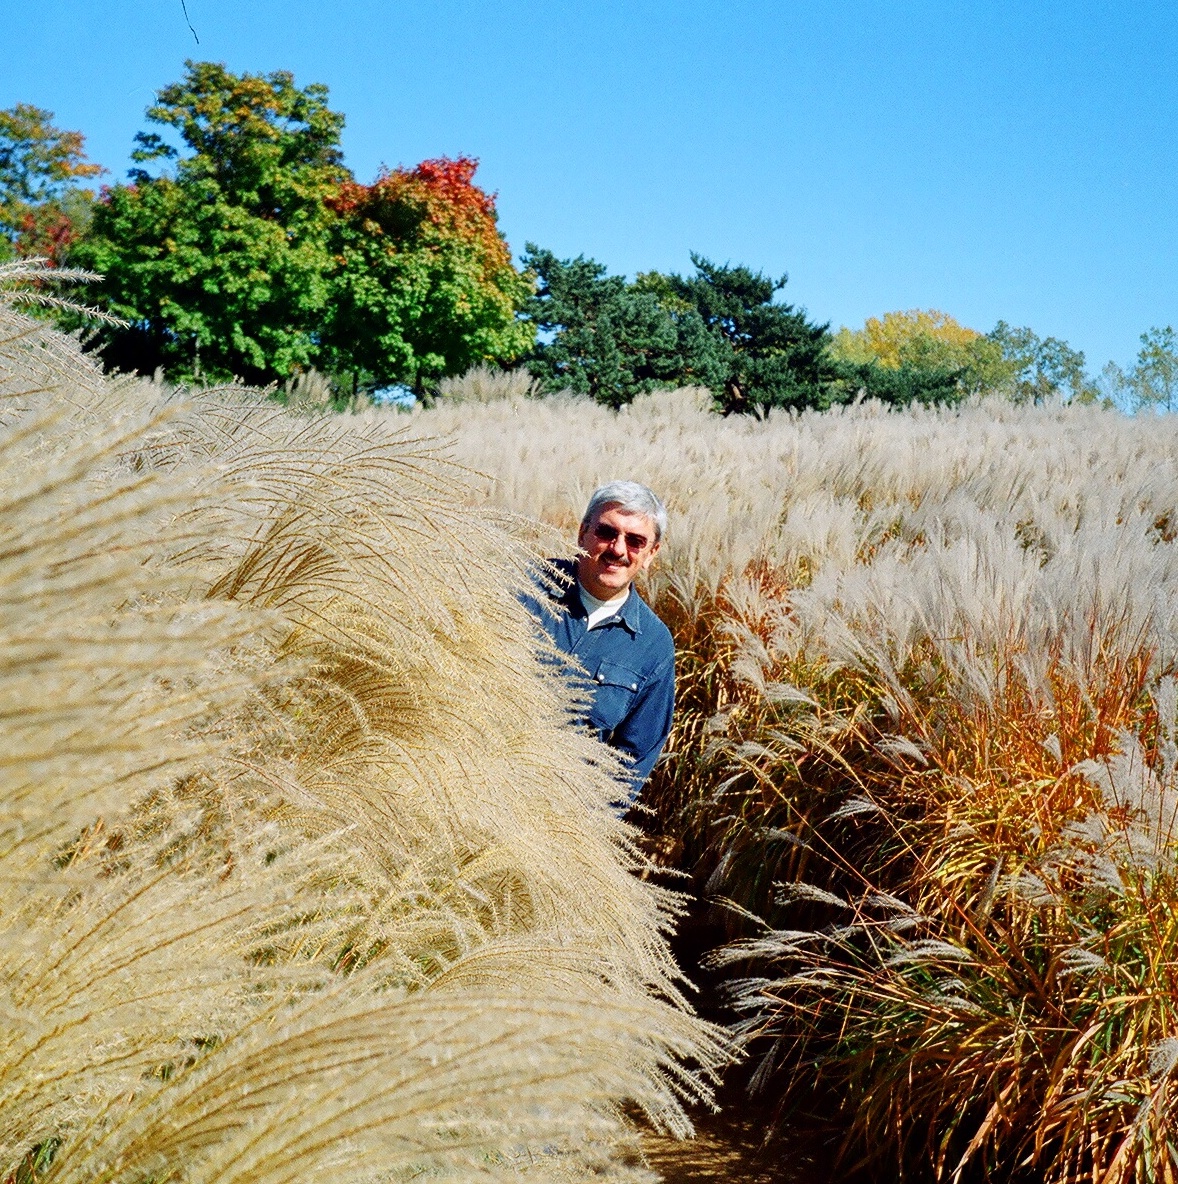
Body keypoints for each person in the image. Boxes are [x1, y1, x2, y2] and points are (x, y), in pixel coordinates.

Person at [522, 481, 675, 809]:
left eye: (635, 541)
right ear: (583, 534)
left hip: (551, 820)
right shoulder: (524, 586)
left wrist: (583, 831)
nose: (618, 549)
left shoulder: (654, 645)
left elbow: (629, 768)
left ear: (651, 554)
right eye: (607, 532)